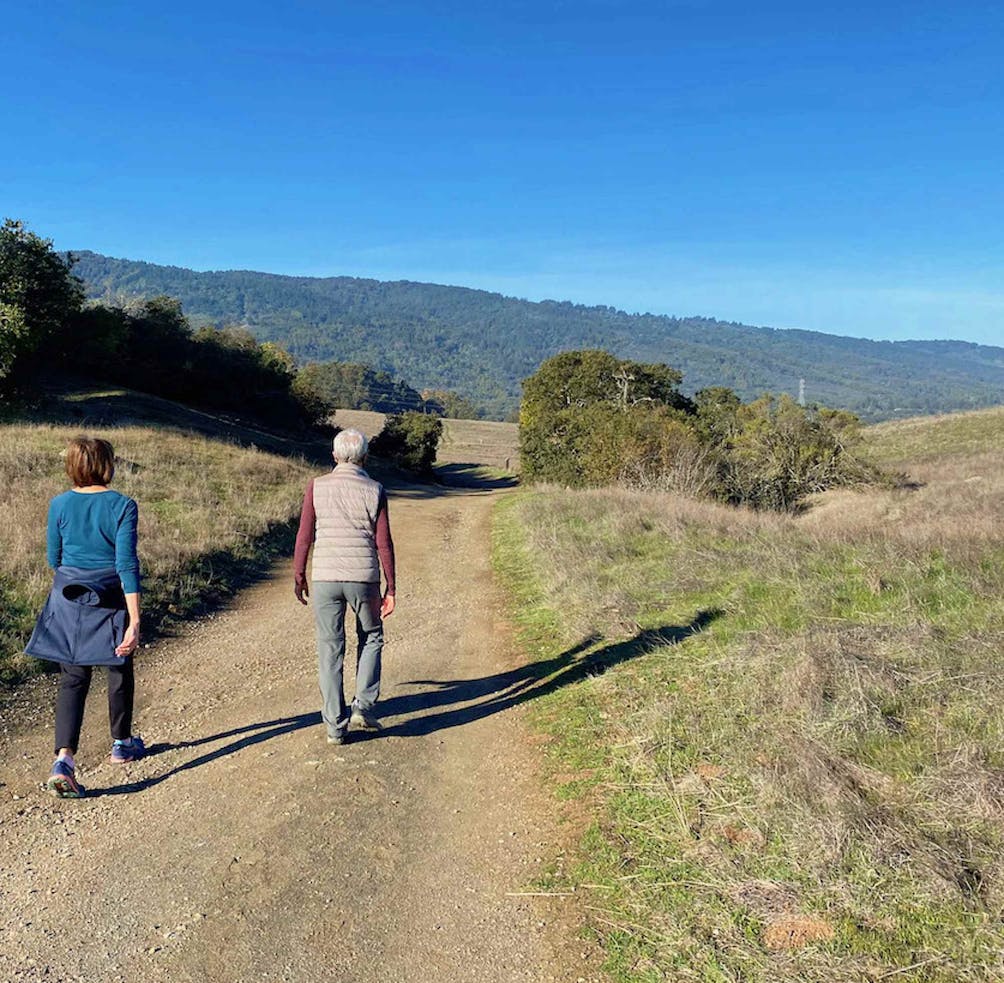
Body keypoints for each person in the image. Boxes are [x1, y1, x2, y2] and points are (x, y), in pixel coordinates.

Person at [25, 436, 144, 798]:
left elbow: (53, 558)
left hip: (69, 597)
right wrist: (135, 619)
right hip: (110, 597)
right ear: (107, 464)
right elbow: (126, 564)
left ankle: (64, 759)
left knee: (73, 676)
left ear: (73, 466)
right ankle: (121, 743)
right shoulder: (123, 505)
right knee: (119, 664)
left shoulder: (59, 504)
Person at [293, 428, 396, 744]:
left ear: (334, 456)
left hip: (325, 576)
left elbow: (304, 535)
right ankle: (363, 705)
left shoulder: (317, 487)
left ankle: (335, 727)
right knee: (372, 635)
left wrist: (299, 575)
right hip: (364, 577)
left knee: (330, 647)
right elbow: (383, 542)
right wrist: (391, 587)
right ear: (364, 457)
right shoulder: (375, 489)